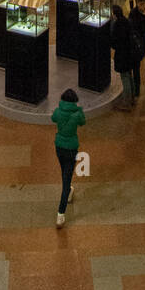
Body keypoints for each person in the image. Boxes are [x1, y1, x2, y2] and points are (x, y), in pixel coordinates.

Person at [51, 87, 86, 227]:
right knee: (66, 179)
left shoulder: (58, 111)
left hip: (59, 146)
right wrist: (80, 110)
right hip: (71, 147)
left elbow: (53, 118)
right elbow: (83, 123)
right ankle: (61, 214)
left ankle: (69, 191)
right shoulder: (77, 113)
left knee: (64, 171)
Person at [110, 4, 136, 110]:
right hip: (130, 54)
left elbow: (115, 42)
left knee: (124, 77)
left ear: (115, 14)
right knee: (129, 75)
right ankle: (132, 97)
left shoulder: (117, 25)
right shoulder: (127, 21)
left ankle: (126, 102)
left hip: (122, 55)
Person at [129, 0, 145, 101]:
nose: (141, 7)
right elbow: (131, 28)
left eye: (143, 4)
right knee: (136, 66)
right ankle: (137, 89)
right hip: (137, 43)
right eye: (140, 5)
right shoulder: (133, 13)